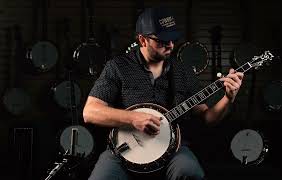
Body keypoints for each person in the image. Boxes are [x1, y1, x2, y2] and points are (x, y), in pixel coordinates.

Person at [83, 7, 244, 180]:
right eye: (162, 41)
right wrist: (133, 118)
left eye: (173, 39)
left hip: (173, 150)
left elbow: (208, 118)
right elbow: (90, 112)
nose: (170, 45)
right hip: (124, 148)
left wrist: (228, 98)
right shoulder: (117, 67)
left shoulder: (183, 71)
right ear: (142, 40)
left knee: (190, 172)